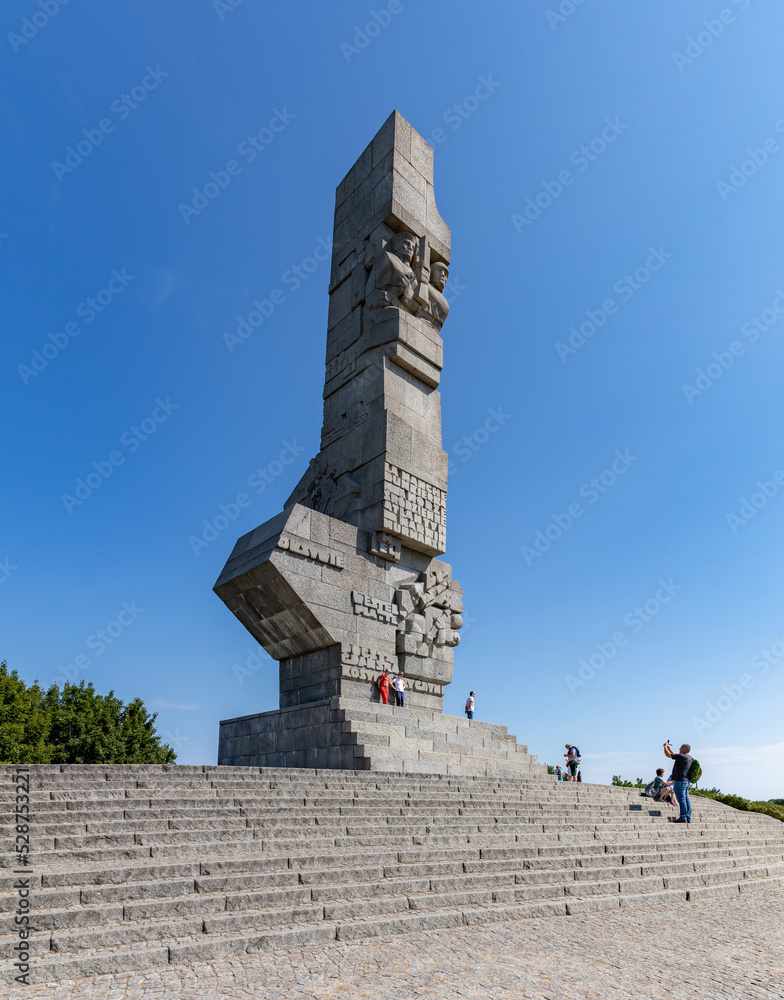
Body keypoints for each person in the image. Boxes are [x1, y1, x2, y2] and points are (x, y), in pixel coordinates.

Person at [664, 741, 693, 823]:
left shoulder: (682, 757)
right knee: (686, 800)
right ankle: (688, 817)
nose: (679, 749)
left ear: (684, 749)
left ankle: (683, 817)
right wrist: (670, 749)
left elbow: (668, 755)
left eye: (680, 747)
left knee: (681, 800)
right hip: (686, 781)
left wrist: (665, 747)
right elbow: (675, 756)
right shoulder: (689, 757)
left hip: (680, 781)